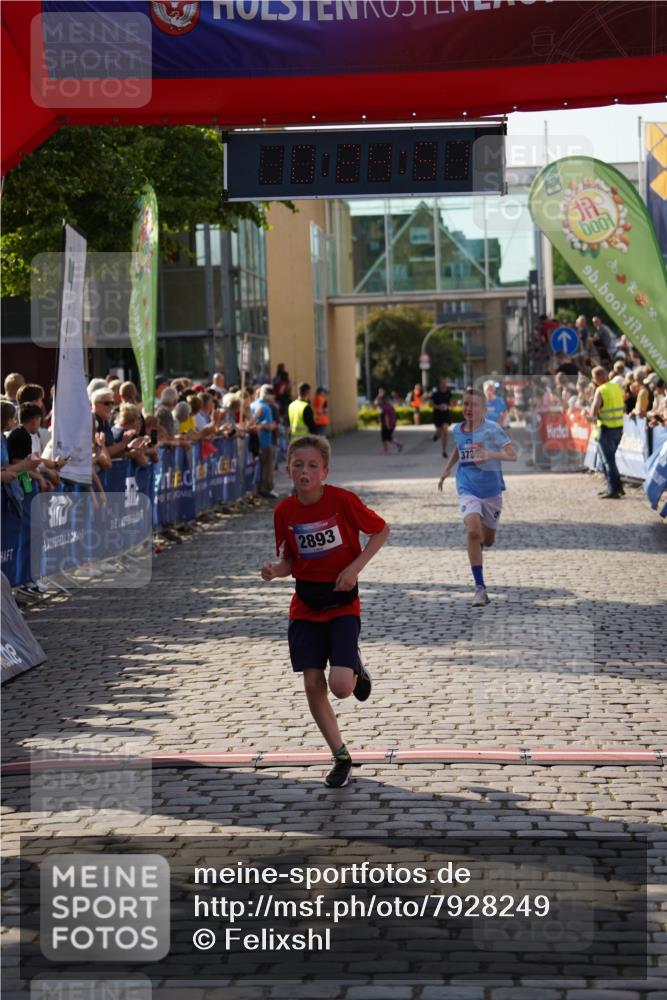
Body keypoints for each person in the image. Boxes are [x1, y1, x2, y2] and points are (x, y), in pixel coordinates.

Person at [260, 435, 390, 788]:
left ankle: (355, 666)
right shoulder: (284, 511)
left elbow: (381, 531)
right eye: (298, 465)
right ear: (288, 470)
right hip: (305, 607)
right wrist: (275, 570)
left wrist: (354, 569)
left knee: (342, 687)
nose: (304, 471)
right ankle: (341, 757)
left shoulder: (342, 500)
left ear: (325, 472)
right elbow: (291, 560)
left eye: (312, 465)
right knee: (313, 683)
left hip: (342, 603)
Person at [437, 388, 517, 606]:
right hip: (467, 488)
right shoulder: (458, 429)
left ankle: (482, 542)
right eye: (465, 404)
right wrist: (446, 470)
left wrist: (489, 454)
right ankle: (480, 588)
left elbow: (513, 455)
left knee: (487, 540)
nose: (468, 408)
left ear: (483, 409)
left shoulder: (493, 429)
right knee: (473, 532)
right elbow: (458, 448)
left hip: (491, 492)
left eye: (474, 405)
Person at [588, 365, 626, 499]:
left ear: (598, 377)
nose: (593, 380)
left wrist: (592, 419)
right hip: (619, 428)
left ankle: (613, 489)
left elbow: (593, 411)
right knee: (611, 460)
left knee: (608, 462)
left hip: (606, 429)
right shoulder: (616, 387)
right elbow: (623, 406)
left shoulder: (601, 390)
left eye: (594, 378)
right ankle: (617, 487)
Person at [251, 384, 278, 498]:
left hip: (254, 442)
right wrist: (266, 426)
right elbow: (270, 426)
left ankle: (257, 489)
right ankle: (266, 489)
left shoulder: (252, 405)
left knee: (257, 467)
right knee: (267, 468)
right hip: (265, 441)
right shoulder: (266, 408)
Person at [430, 377, 452, 456]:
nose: (444, 384)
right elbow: (430, 404)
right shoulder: (435, 394)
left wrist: (449, 406)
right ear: (439, 384)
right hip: (437, 415)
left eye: (445, 383)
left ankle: (444, 450)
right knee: (439, 431)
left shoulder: (449, 393)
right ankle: (436, 435)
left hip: (446, 414)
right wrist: (439, 407)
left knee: (445, 431)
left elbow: (451, 403)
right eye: (442, 383)